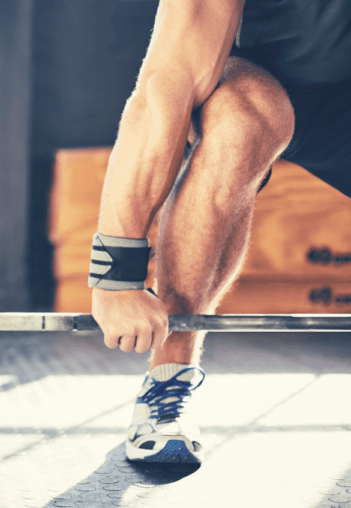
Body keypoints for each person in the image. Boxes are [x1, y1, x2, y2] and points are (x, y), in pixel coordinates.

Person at [89, 0, 351, 463]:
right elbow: (165, 91)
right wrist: (116, 276)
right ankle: (169, 379)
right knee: (237, 117)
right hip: (270, 82)